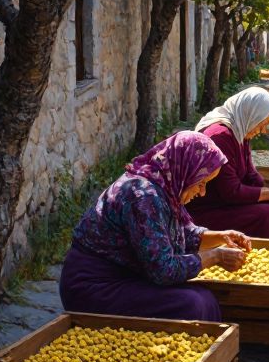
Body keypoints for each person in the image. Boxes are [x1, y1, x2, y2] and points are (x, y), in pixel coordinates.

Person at [59, 132, 251, 321]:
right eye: (201, 183)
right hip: (94, 288)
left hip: (126, 275)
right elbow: (163, 270)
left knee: (204, 297)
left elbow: (182, 232)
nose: (202, 192)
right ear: (185, 170)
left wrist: (221, 237)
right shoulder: (142, 196)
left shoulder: (165, 186)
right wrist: (215, 256)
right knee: (192, 304)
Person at [188, 87, 269, 238]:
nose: (263, 131)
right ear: (250, 114)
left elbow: (250, 175)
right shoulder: (220, 136)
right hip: (207, 210)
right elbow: (230, 191)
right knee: (267, 215)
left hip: (225, 204)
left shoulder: (240, 132)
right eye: (262, 123)